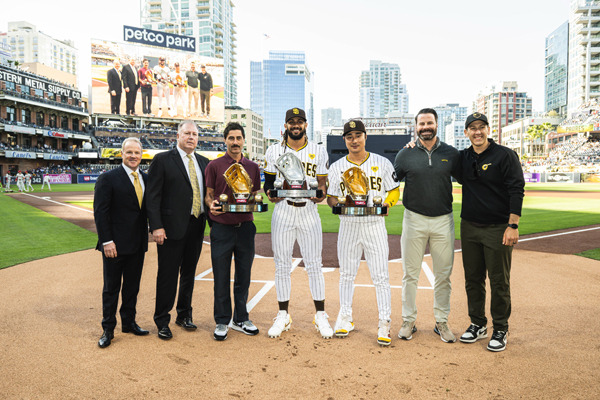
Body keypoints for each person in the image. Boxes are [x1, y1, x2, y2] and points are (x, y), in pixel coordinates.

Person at [327, 119, 400, 346]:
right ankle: (345, 317)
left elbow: (394, 191)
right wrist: (337, 203)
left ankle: (384, 322)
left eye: (358, 135)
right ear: (345, 140)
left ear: (365, 137)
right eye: (349, 137)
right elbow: (330, 198)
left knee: (380, 276)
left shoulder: (382, 162)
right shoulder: (336, 167)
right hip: (348, 225)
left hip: (374, 224)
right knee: (347, 274)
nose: (354, 140)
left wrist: (388, 204)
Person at [263, 107, 333, 339]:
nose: (295, 125)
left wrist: (320, 194)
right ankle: (283, 315)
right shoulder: (274, 150)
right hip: (283, 210)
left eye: (299, 122)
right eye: (291, 122)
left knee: (314, 264)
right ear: (286, 125)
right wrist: (271, 193)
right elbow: (269, 185)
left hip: (309, 212)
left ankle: (320, 315)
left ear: (305, 125)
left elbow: (323, 184)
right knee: (282, 265)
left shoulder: (317, 151)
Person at [457, 113, 525, 352]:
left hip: (498, 227)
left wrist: (513, 225)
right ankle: (477, 323)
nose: (477, 132)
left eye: (481, 127)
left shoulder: (505, 155)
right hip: (470, 226)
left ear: (488, 129)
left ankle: (500, 328)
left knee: (499, 281)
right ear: (466, 132)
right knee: (473, 279)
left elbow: (517, 189)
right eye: (472, 128)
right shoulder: (463, 157)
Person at [393, 108, 460, 343]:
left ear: (436, 124)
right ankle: (408, 321)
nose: (425, 127)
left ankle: (441, 321)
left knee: (443, 275)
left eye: (429, 123)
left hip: (444, 220)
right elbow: (390, 180)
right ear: (416, 127)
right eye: (421, 124)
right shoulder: (405, 154)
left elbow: (470, 179)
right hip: (414, 219)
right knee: (409, 275)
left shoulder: (451, 153)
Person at [147, 120, 209, 340]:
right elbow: (152, 197)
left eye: (194, 134)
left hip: (197, 224)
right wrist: (156, 226)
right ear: (178, 136)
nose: (191, 137)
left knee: (189, 274)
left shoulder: (204, 162)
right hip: (171, 228)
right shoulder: (162, 160)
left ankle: (184, 314)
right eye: (187, 133)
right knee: (167, 275)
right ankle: (162, 320)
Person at [205, 122, 261, 341]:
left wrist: (257, 202)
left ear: (243, 140)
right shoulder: (214, 165)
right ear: (225, 140)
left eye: (239, 138)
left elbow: (255, 194)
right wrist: (211, 204)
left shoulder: (253, 167)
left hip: (246, 227)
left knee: (243, 276)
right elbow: (209, 194)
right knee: (221, 275)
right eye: (231, 138)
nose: (235, 142)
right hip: (222, 228)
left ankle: (241, 318)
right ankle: (221, 320)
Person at [93, 137, 149, 348]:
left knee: (132, 287)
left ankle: (129, 322)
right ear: (122, 154)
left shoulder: (145, 177)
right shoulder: (108, 178)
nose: (133, 156)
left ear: (141, 155)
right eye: (129, 152)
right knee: (111, 288)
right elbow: (101, 212)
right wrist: (107, 241)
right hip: (114, 245)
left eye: (136, 153)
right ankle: (108, 328)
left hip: (137, 244)